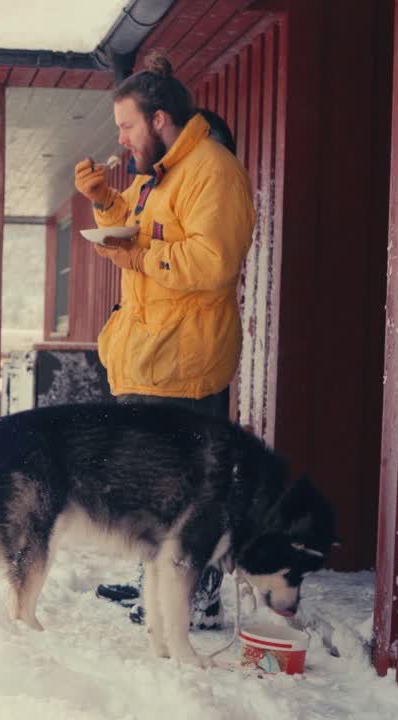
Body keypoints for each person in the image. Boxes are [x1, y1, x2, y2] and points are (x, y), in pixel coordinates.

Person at [73, 51, 256, 629]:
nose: (121, 138)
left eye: (127, 125)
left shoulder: (212, 170)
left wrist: (139, 254)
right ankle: (155, 589)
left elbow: (212, 262)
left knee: (186, 492)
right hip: (151, 355)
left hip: (183, 360)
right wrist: (105, 199)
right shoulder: (165, 176)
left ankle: (193, 602)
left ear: (158, 120)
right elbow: (140, 225)